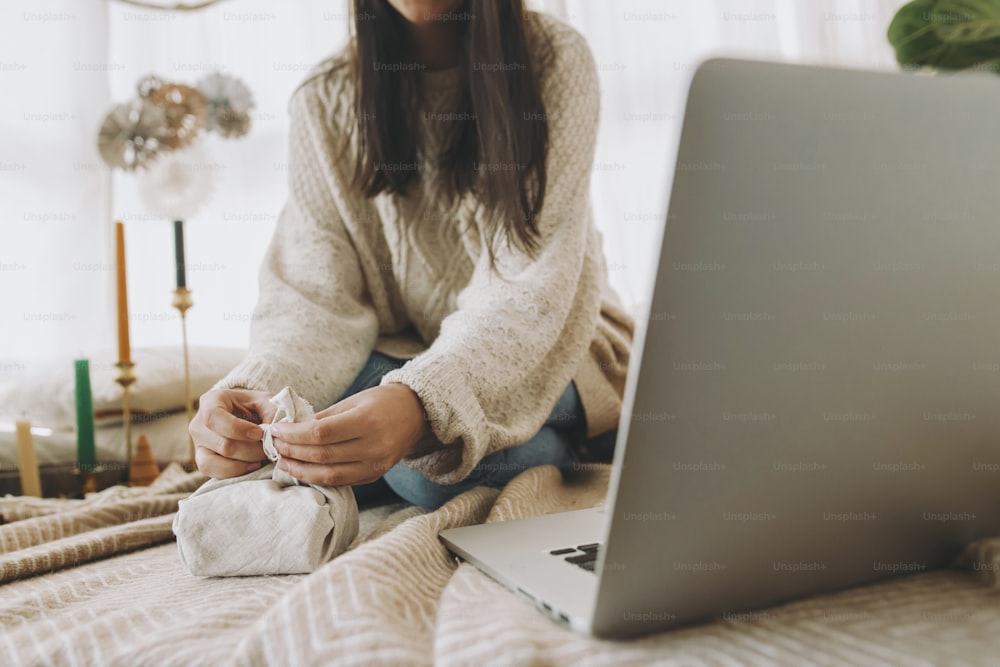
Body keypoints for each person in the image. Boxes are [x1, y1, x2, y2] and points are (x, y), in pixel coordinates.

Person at [189, 0, 633, 509]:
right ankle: (439, 440)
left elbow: (527, 291)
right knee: (328, 419)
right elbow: (315, 299)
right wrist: (256, 394)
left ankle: (559, 447)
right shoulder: (323, 97)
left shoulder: (554, 59)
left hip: (561, 343)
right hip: (407, 353)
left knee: (424, 473)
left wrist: (423, 403)